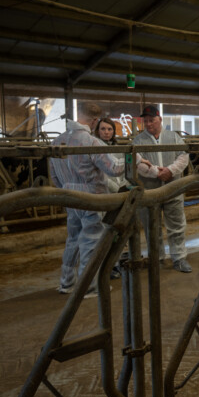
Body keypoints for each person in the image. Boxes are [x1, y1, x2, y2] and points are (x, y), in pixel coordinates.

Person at [51, 104, 151, 297]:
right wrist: (136, 160)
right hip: (92, 197)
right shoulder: (91, 143)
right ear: (94, 121)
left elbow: (54, 176)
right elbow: (113, 168)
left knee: (72, 239)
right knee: (90, 240)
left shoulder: (58, 141)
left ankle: (66, 283)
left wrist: (67, 188)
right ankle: (88, 287)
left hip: (69, 196)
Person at [133, 104, 192, 273]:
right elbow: (137, 162)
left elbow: (183, 156)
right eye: (146, 121)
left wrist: (170, 170)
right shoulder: (138, 140)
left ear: (160, 119)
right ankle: (156, 258)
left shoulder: (173, 137)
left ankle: (179, 257)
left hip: (173, 187)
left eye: (152, 120)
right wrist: (155, 172)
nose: (149, 124)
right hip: (150, 190)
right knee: (152, 225)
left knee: (177, 224)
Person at [95, 117, 127, 279]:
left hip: (119, 195)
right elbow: (100, 174)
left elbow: (124, 169)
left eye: (109, 129)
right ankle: (104, 267)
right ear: (97, 131)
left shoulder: (119, 148)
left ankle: (116, 264)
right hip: (103, 195)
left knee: (118, 230)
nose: (106, 132)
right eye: (103, 129)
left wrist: (122, 188)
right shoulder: (94, 148)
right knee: (103, 231)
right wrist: (115, 189)